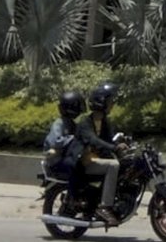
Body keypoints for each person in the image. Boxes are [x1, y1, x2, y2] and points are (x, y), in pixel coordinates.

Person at [77, 82, 128, 225]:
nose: (112, 105)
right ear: (101, 103)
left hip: (97, 160)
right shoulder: (85, 123)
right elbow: (94, 141)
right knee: (113, 165)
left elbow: (110, 139)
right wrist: (113, 147)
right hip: (85, 162)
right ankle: (105, 206)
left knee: (124, 165)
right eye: (110, 102)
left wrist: (121, 144)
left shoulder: (105, 122)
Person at [42, 90, 85, 180]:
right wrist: (73, 138)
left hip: (65, 158)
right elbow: (56, 141)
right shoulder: (59, 123)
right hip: (56, 162)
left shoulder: (71, 123)